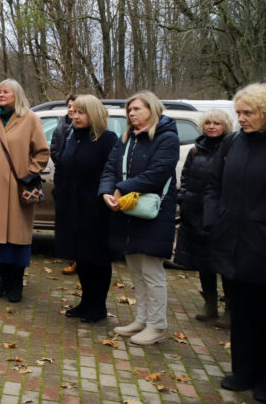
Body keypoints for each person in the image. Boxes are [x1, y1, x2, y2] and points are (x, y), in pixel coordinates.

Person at [99, 91, 179, 346]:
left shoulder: (166, 138)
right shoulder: (126, 139)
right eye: (129, 110)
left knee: (152, 272)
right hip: (126, 212)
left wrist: (122, 187)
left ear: (152, 110)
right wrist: (107, 192)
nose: (131, 113)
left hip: (153, 214)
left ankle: (157, 326)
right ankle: (142, 319)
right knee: (136, 270)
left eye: (137, 109)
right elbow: (110, 168)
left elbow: (157, 173)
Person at [205, 84, 266, 400]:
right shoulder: (231, 143)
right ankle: (242, 371)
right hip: (231, 244)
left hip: (262, 246)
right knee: (240, 313)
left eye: (248, 113)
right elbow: (212, 185)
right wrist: (213, 219)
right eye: (238, 113)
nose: (241, 118)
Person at [0, 79, 49, 303]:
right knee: (0, 238)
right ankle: (3, 282)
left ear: (17, 95)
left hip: (19, 189)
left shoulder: (30, 119)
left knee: (18, 238)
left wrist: (29, 173)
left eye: (6, 91)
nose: (1, 94)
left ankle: (16, 284)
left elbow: (42, 152)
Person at [53, 95, 118, 323]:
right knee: (80, 255)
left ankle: (98, 306)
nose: (76, 116)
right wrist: (58, 194)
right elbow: (62, 166)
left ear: (94, 114)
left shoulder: (107, 139)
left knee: (97, 258)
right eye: (75, 111)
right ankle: (86, 301)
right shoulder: (72, 137)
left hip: (95, 208)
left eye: (82, 112)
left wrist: (100, 200)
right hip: (71, 205)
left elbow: (111, 172)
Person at [175, 110, 232, 324]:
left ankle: (230, 309)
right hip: (194, 212)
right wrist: (183, 199)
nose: (211, 126)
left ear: (225, 126)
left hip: (219, 215)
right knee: (202, 262)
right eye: (208, 122)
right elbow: (186, 176)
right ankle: (210, 303)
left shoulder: (231, 149)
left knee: (223, 263)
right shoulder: (195, 150)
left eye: (217, 123)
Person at [49, 94, 78, 275]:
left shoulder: (83, 126)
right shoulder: (60, 125)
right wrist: (62, 160)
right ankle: (69, 255)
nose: (71, 109)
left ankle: (77, 259)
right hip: (62, 178)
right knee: (65, 220)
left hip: (78, 180)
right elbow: (53, 148)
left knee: (77, 222)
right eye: (68, 105)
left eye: (74, 106)